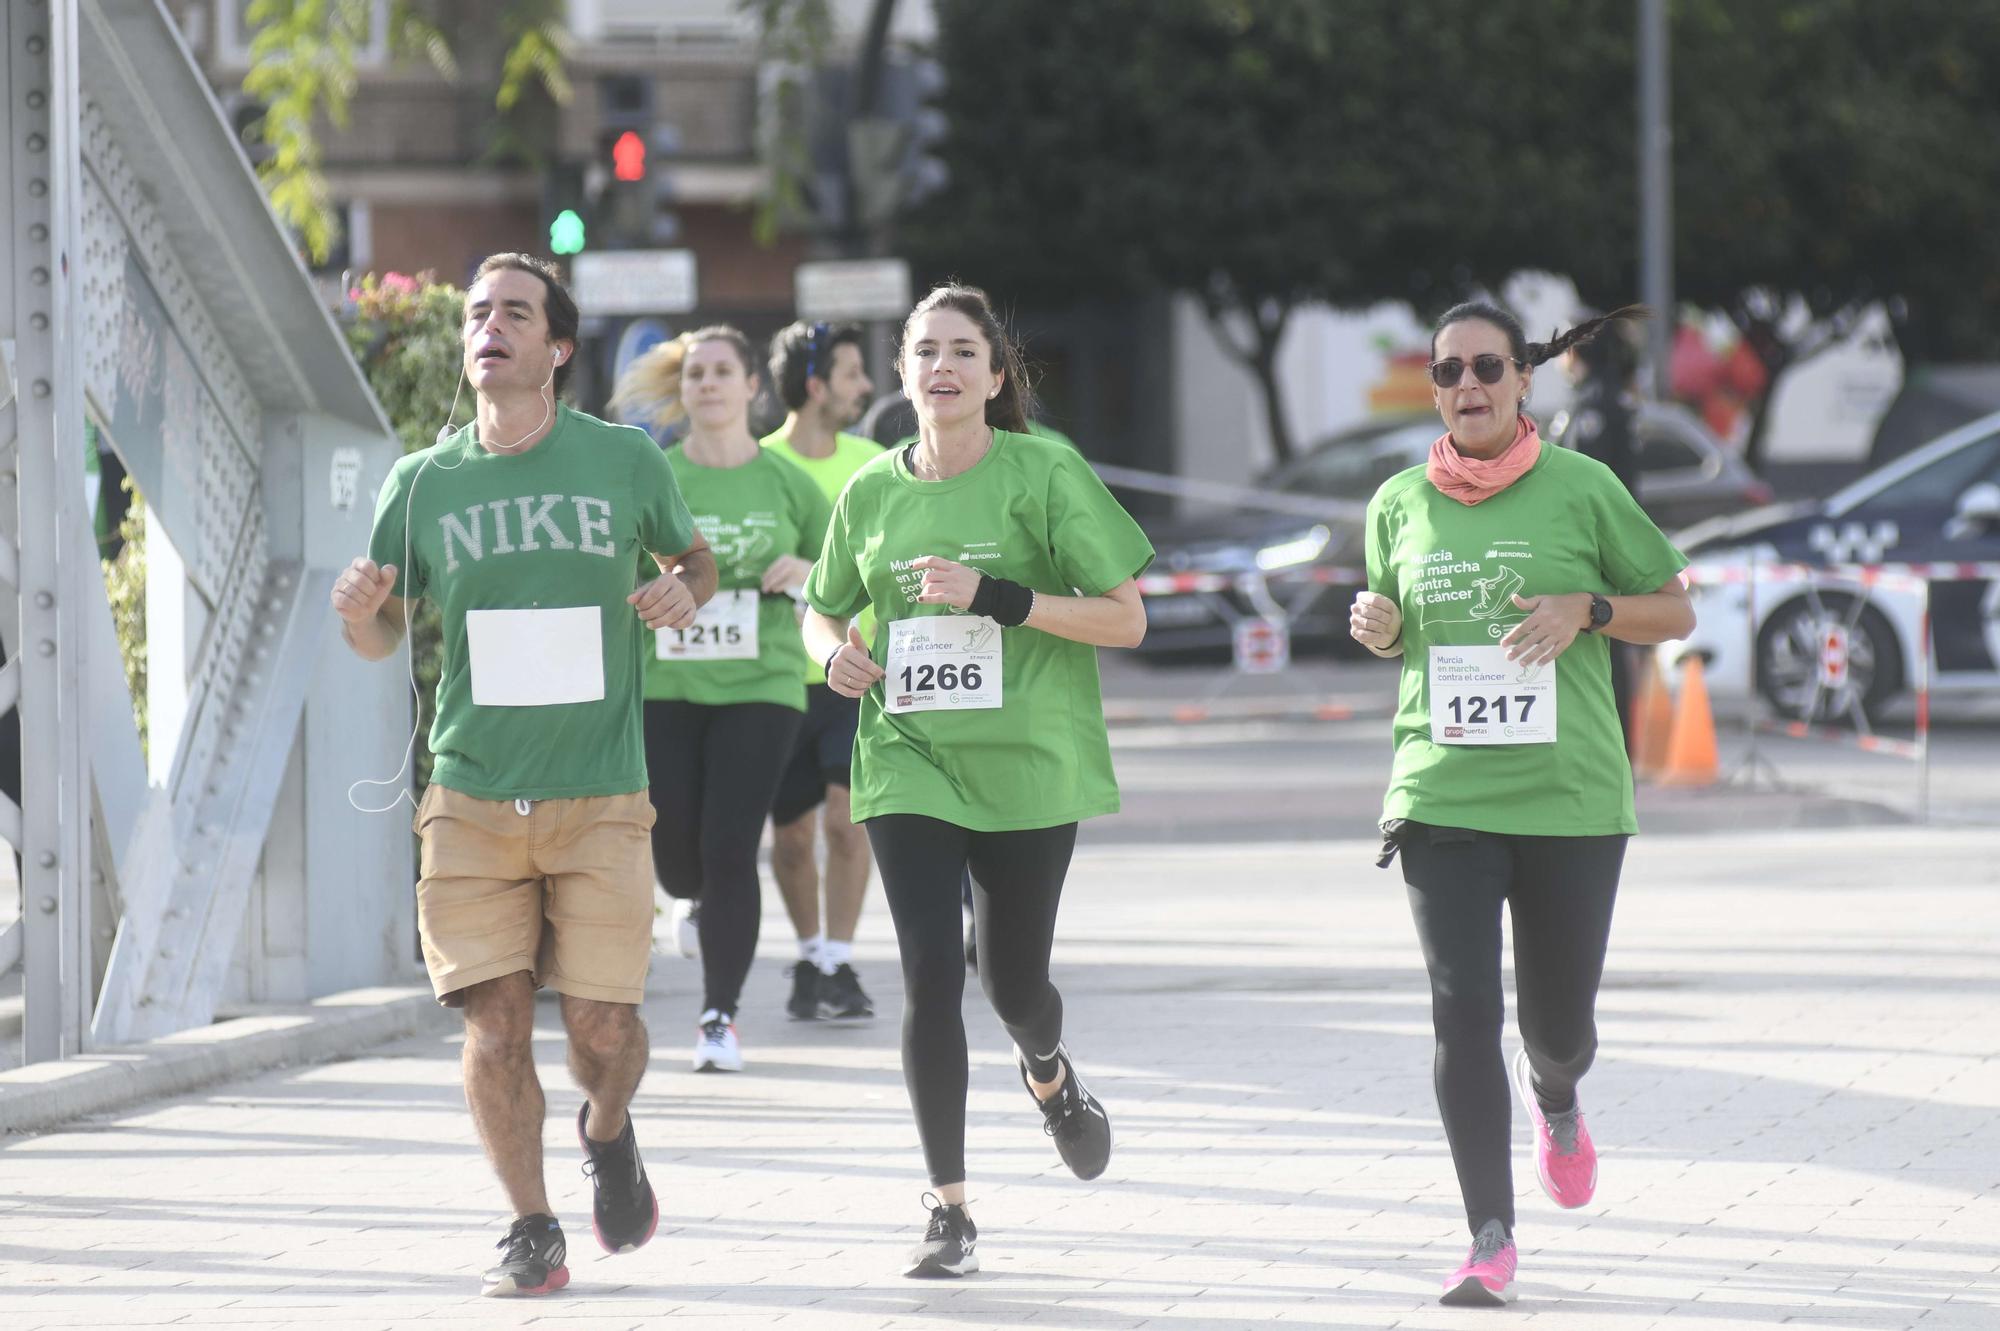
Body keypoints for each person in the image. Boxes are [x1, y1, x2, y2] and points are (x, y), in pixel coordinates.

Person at [332, 253, 715, 1297]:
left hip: (599, 795)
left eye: (515, 312)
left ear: (557, 347)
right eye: (476, 313)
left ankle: (608, 1124)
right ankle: (532, 1225)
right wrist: (362, 611)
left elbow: (695, 560)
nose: (489, 326)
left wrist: (681, 592)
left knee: (603, 1029)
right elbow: (383, 641)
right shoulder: (423, 483)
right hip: (470, 795)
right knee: (494, 1020)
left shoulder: (623, 460)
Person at [802, 284, 1155, 1278]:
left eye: (964, 349)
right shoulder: (868, 490)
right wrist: (832, 656)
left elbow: (1124, 617)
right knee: (925, 974)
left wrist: (997, 595)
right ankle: (947, 1205)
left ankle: (1048, 1074)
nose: (943, 365)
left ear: (996, 376)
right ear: (905, 372)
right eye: (925, 350)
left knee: (1012, 985)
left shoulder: (1042, 472)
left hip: (1029, 763)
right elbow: (820, 611)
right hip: (907, 756)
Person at [1349, 301, 1692, 1308]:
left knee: (1557, 1027)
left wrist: (1584, 607)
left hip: (1568, 795)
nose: (1466, 385)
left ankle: (1556, 1092)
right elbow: (1388, 627)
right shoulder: (1396, 502)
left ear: (1522, 379)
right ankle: (1486, 1237)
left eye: (1485, 367)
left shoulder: (1584, 488)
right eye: (1446, 370)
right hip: (1440, 789)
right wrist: (1372, 625)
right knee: (1459, 1012)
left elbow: (1674, 607)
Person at [609, 326, 832, 1073]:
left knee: (732, 845)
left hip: (763, 682)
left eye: (722, 371)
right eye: (695, 373)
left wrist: (806, 566)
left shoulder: (791, 484)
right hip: (667, 679)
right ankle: (693, 900)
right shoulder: (653, 476)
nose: (707, 383)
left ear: (750, 389)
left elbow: (839, 578)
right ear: (683, 389)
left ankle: (718, 1018)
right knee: (677, 858)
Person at [760, 320, 884, 1022]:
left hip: (853, 675)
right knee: (792, 836)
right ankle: (808, 955)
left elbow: (887, 561)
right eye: (849, 374)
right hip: (776, 680)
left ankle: (839, 959)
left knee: (846, 822)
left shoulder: (873, 462)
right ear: (815, 386)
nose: (865, 387)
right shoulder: (757, 463)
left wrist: (816, 576)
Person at [1553, 317, 1645, 737]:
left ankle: (1612, 740)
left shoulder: (1593, 408)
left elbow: (1584, 485)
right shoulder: (1616, 400)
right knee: (1611, 640)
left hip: (1595, 543)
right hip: (1614, 538)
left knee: (1603, 639)